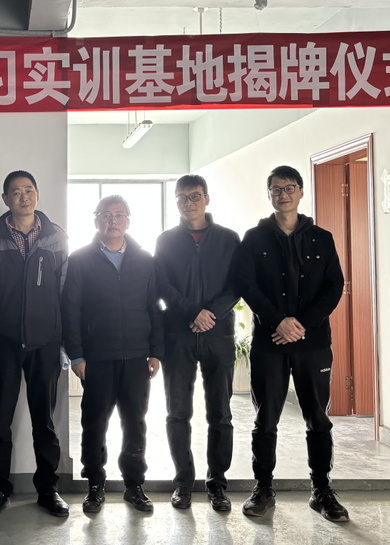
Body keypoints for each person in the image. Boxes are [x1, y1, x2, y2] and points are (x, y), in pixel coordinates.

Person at [235, 165, 347, 522]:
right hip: (270, 342)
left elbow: (334, 286)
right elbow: (246, 284)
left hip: (313, 343)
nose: (283, 195)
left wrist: (301, 325)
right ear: (268, 194)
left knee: (318, 419)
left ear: (300, 192)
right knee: (265, 419)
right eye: (276, 189)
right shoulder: (254, 238)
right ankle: (263, 489)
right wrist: (278, 321)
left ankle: (322, 490)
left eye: (289, 188)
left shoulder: (322, 238)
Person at [61, 195, 163, 514]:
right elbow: (70, 310)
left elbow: (154, 307)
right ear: (96, 220)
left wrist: (156, 351)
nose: (113, 221)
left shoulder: (145, 260)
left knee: (135, 423)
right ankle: (95, 485)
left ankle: (134, 485)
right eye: (106, 215)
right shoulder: (80, 259)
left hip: (136, 357)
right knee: (94, 423)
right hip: (97, 358)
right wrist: (77, 356)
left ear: (128, 221)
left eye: (119, 215)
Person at [0, 171, 69, 519]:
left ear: (37, 194)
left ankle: (48, 489)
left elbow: (65, 291)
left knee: (44, 421)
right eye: (15, 192)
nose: (23, 197)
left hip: (44, 343)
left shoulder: (56, 236)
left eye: (28, 190)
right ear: (5, 198)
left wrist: (64, 339)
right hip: (2, 342)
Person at [154, 175, 241, 512]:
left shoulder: (229, 239)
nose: (188, 203)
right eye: (181, 198)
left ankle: (217, 484)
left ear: (206, 198)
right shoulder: (165, 240)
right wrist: (193, 312)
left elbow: (237, 284)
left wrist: (211, 314)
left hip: (218, 335)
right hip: (178, 334)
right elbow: (162, 284)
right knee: (178, 413)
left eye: (194, 196)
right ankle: (183, 483)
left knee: (220, 413)